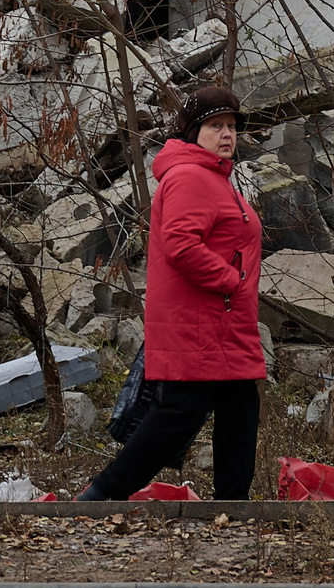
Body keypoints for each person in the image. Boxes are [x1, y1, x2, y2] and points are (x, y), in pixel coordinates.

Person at [78, 81, 264, 501]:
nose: (227, 134)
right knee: (178, 413)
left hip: (224, 322)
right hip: (200, 321)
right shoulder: (190, 177)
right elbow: (182, 246)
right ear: (192, 132)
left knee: (239, 408)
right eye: (215, 125)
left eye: (232, 125)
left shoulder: (214, 178)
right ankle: (104, 492)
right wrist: (231, 282)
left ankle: (232, 505)